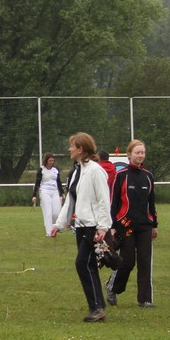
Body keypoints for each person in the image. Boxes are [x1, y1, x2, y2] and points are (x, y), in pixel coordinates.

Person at [50, 132, 112, 322]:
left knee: (82, 263)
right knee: (90, 265)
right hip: (81, 226)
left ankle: (96, 307)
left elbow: (103, 200)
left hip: (93, 226)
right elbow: (70, 200)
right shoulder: (77, 171)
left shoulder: (95, 171)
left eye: (72, 146)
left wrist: (103, 227)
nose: (69, 149)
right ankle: (98, 306)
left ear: (81, 149)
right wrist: (58, 224)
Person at [105, 139, 158, 308]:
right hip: (125, 226)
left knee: (145, 261)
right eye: (137, 152)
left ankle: (145, 299)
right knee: (127, 261)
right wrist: (112, 226)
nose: (140, 155)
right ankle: (112, 287)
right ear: (129, 155)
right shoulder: (121, 176)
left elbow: (152, 202)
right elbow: (113, 203)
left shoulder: (148, 176)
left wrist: (154, 224)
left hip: (144, 226)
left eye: (142, 152)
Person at [31, 153, 65, 236]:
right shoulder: (41, 170)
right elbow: (37, 183)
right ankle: (49, 232)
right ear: (46, 161)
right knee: (48, 213)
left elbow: (59, 182)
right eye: (50, 160)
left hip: (55, 192)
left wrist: (62, 193)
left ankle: (52, 226)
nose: (51, 162)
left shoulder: (55, 170)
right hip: (45, 192)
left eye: (53, 160)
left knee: (56, 213)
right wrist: (34, 195)